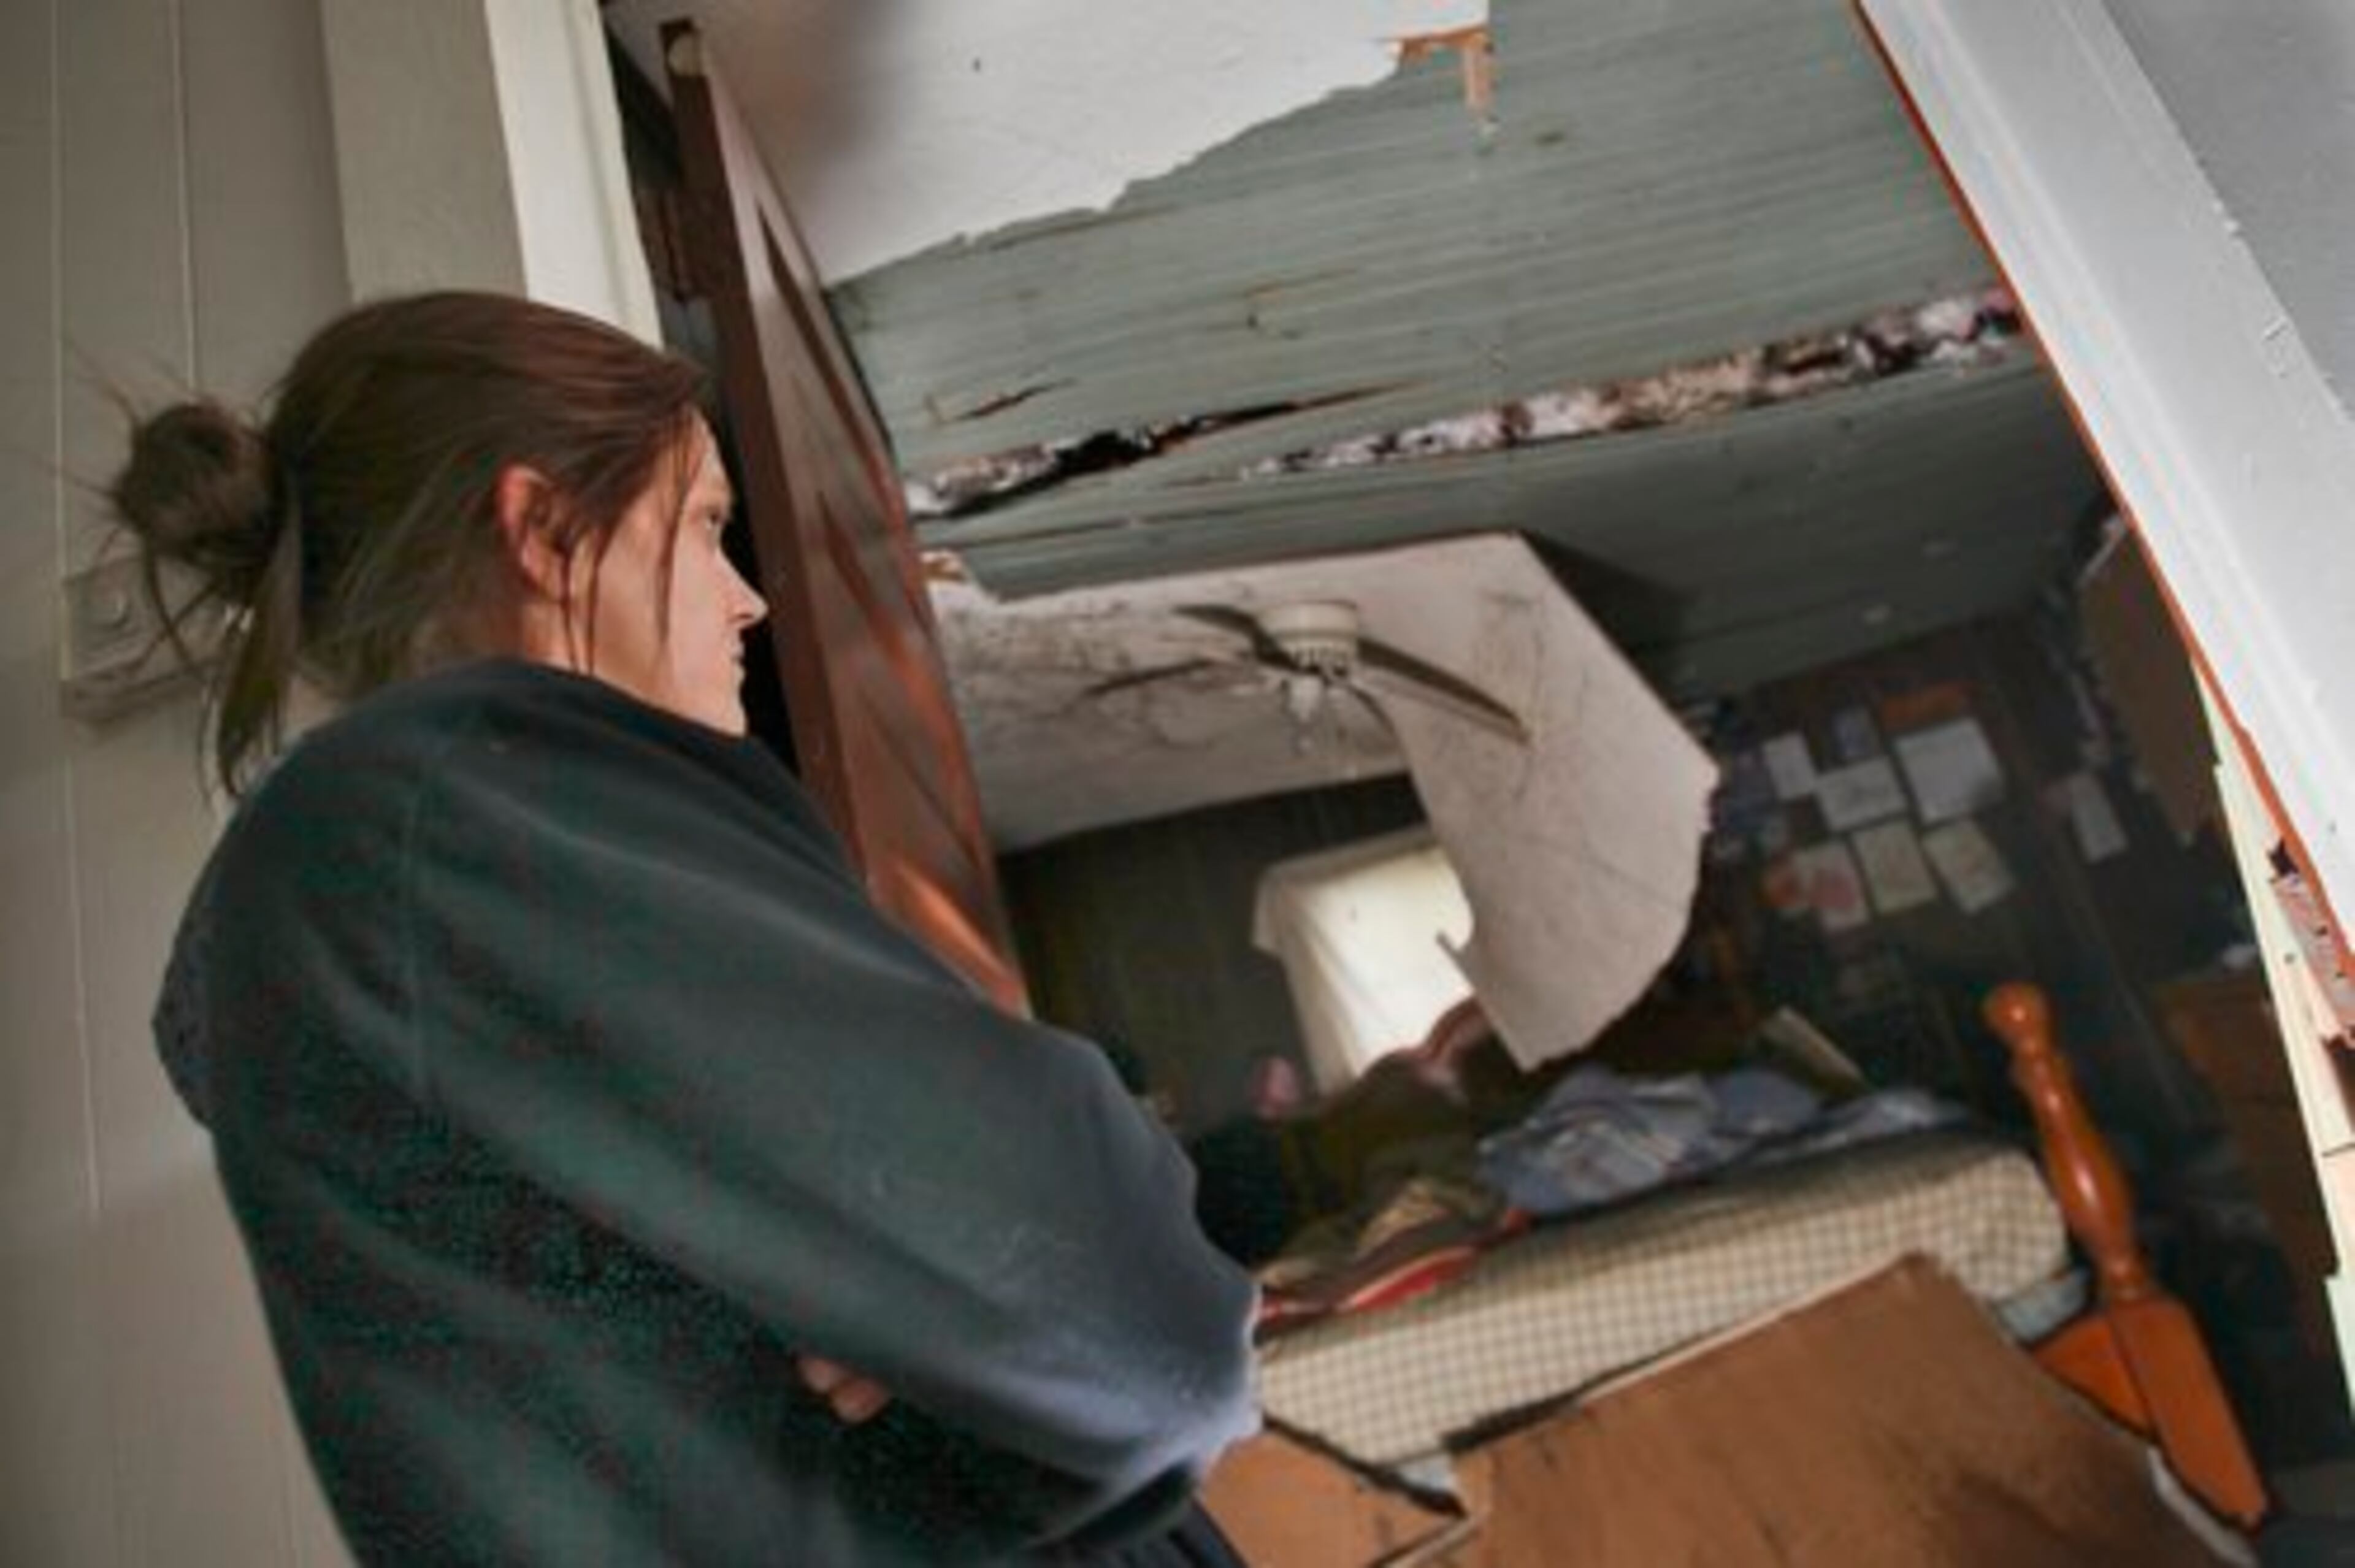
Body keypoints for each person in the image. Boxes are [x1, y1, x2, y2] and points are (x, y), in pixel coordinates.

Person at [116, 291, 1258, 1566]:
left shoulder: (387, 896)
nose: (747, 600)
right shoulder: (431, 819)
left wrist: (917, 1310)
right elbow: (1127, 1310)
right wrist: (958, 1312)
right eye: (709, 526)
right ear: (545, 530)